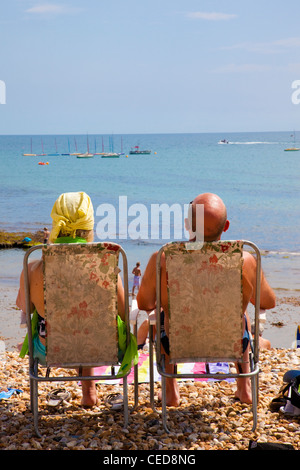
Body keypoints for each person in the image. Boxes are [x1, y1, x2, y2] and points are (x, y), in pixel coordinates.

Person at [137, 192, 276, 406]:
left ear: (187, 225)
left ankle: (171, 391)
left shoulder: (163, 258)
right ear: (226, 225)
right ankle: (244, 386)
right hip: (230, 343)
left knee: (163, 315)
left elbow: (144, 304)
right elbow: (267, 302)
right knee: (241, 314)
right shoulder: (245, 259)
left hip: (176, 343)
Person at [16, 191, 125, 408]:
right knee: (89, 329)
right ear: (89, 224)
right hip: (103, 347)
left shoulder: (34, 267)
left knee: (69, 328)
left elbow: (24, 308)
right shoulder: (105, 264)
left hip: (51, 350)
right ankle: (89, 392)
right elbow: (122, 311)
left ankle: (87, 391)